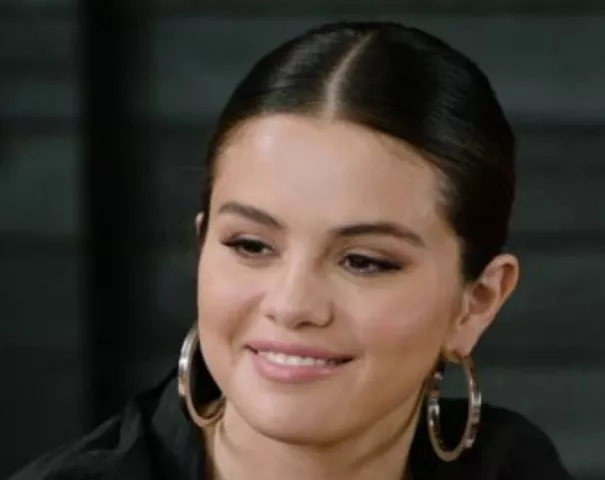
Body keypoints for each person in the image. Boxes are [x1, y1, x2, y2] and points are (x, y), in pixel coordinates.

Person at [11, 21, 574, 480]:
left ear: (476, 303)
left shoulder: (514, 467)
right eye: (251, 245)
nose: (292, 304)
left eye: (364, 261)